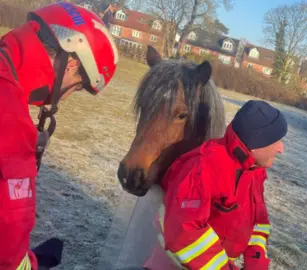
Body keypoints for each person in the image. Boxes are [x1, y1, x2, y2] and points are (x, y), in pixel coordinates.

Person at [0, 2, 118, 270]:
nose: (64, 97)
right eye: (76, 88)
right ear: (71, 63)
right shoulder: (11, 122)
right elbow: (6, 255)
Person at [142, 100, 288, 270]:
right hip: (173, 265)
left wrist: (256, 262)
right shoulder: (202, 168)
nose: (281, 149)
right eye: (276, 141)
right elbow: (184, 231)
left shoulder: (254, 170)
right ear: (255, 145)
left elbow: (258, 221)